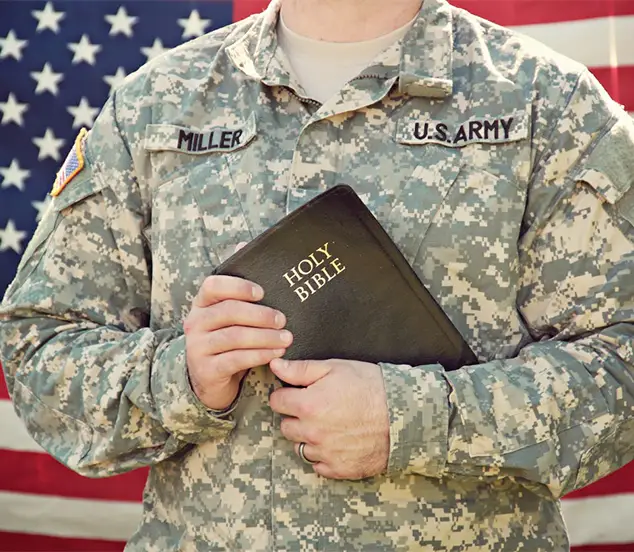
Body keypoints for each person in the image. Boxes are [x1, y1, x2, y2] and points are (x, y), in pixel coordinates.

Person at [1, 0, 633, 549]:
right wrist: (182, 377)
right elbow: (40, 343)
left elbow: (623, 357)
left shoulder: (548, 103)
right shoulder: (157, 105)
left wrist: (414, 420)